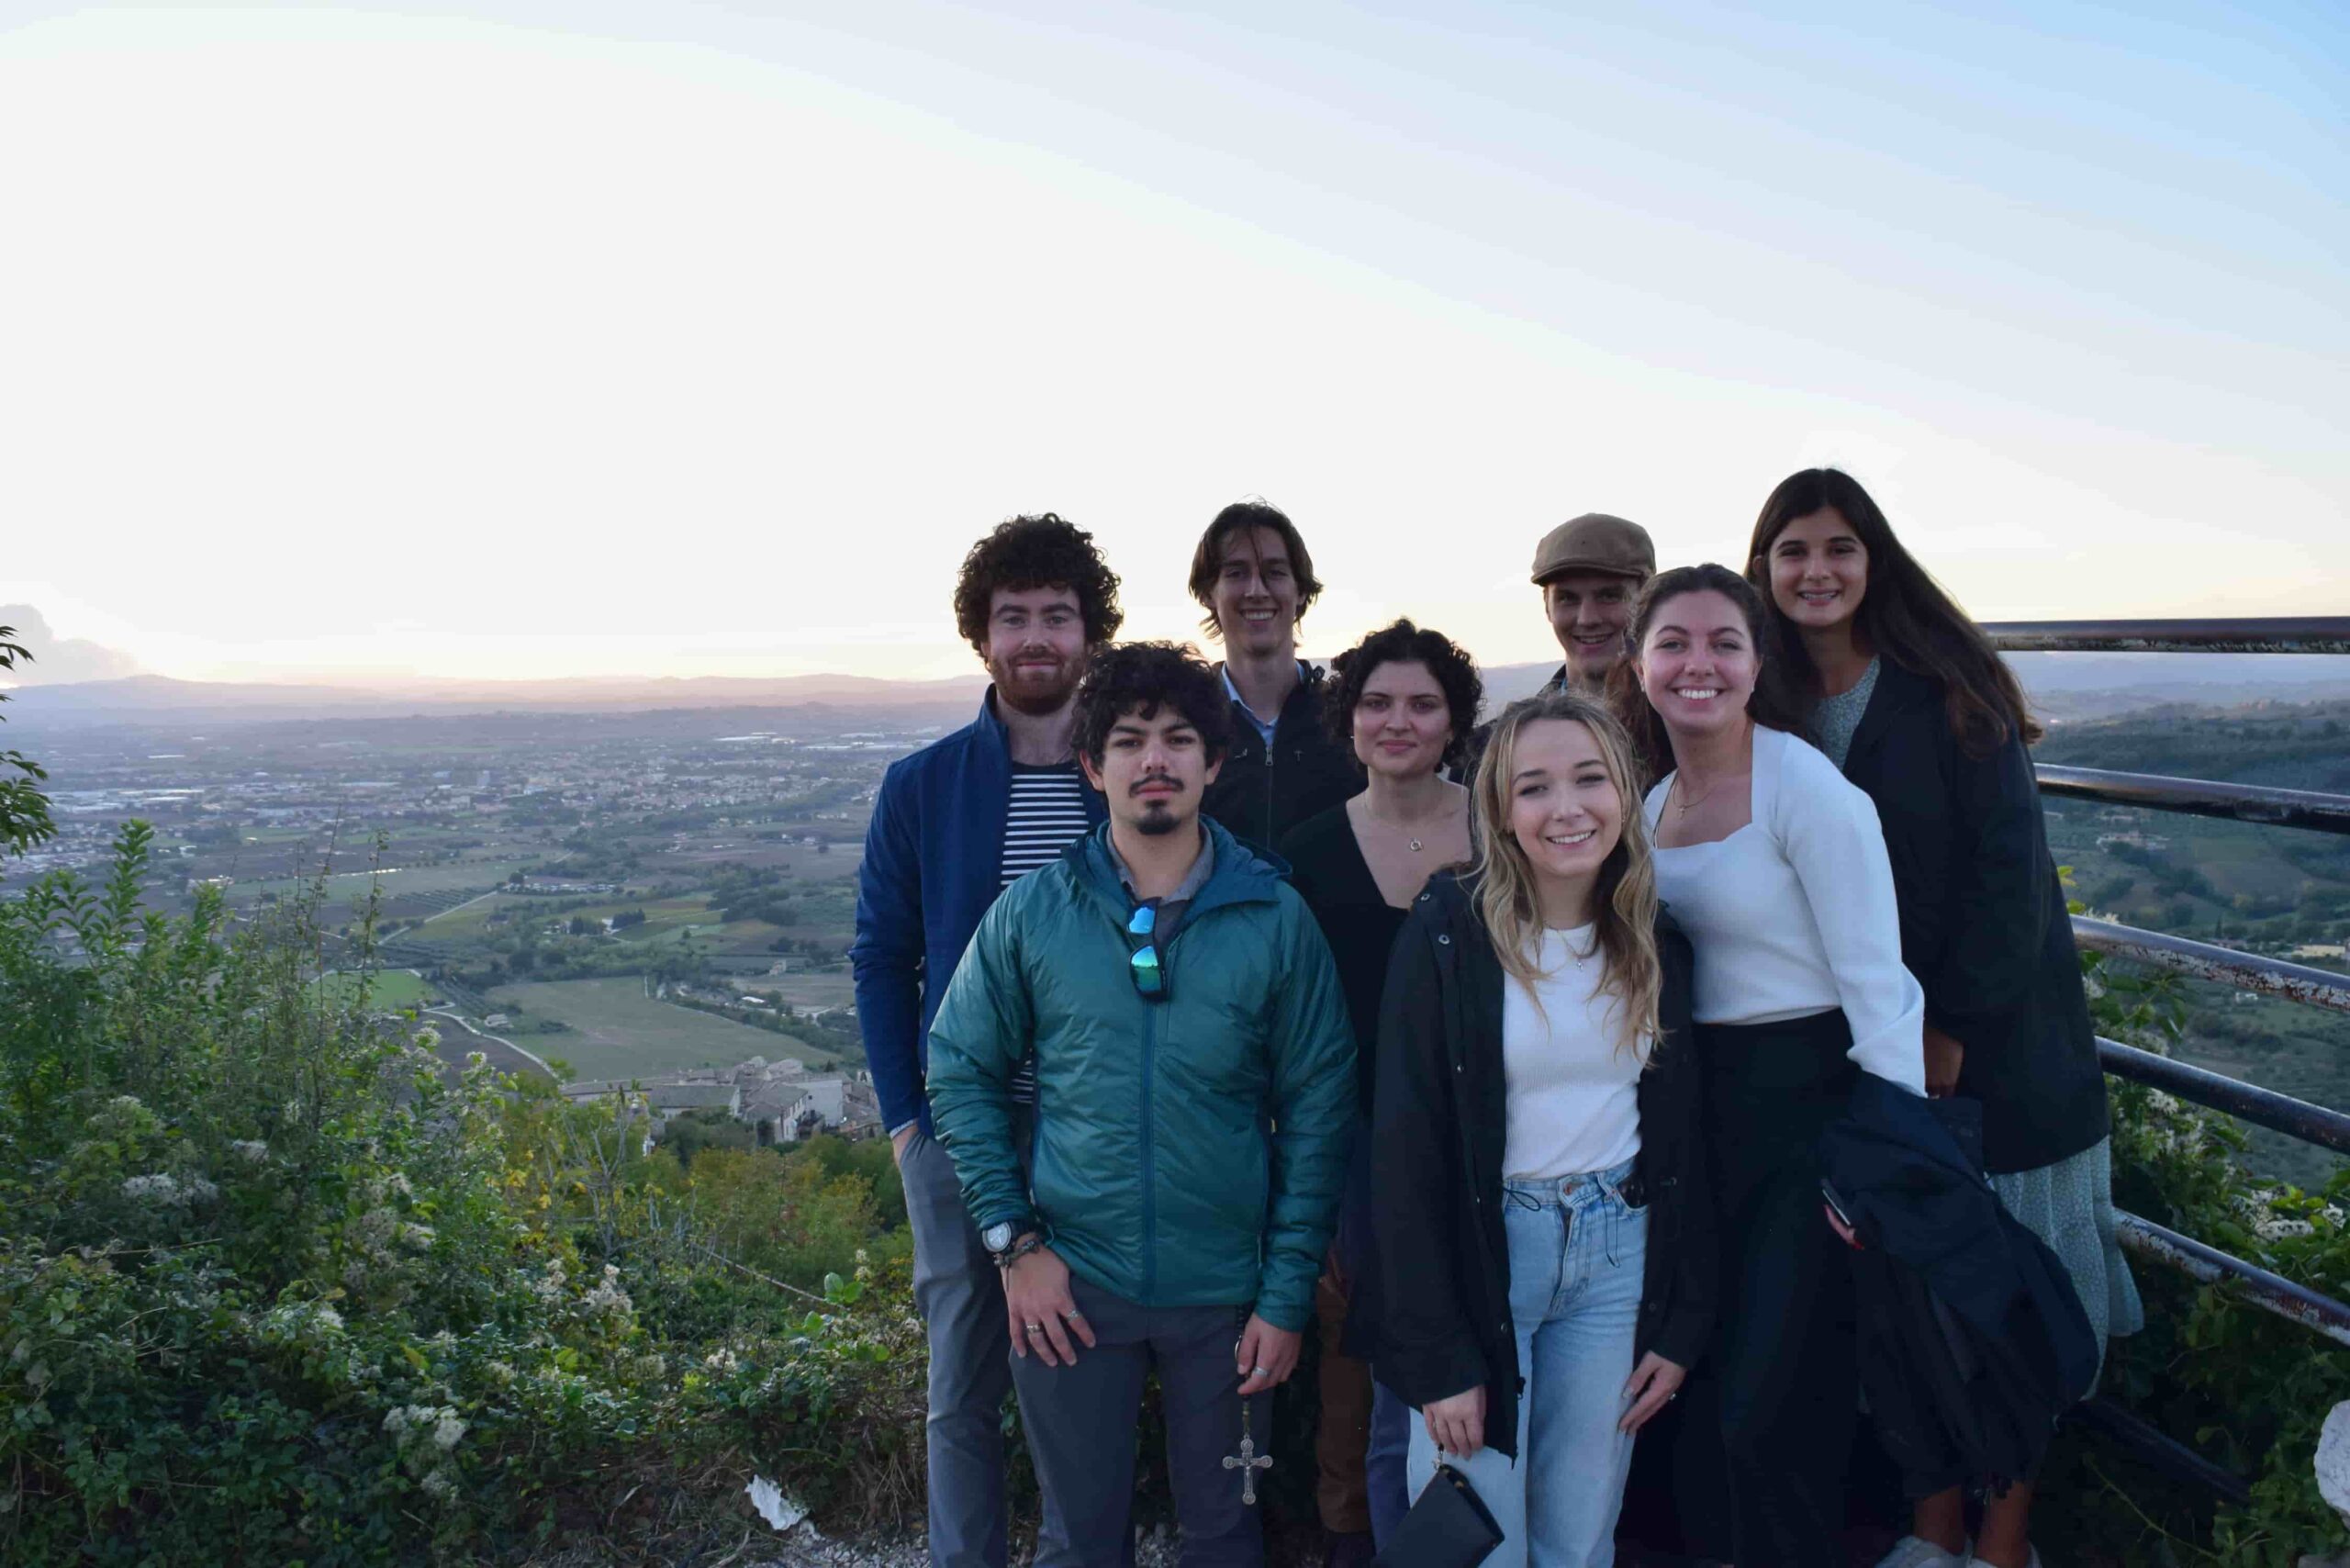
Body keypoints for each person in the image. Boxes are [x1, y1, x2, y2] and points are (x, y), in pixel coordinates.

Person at [1747, 469, 2142, 1568]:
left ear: (1873, 560)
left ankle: (2002, 1540)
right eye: (1791, 550)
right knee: (1902, 1301)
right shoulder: (1761, 704)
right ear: (1763, 568)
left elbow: (2007, 881)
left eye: (1837, 547)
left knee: (2008, 1306)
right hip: (1863, 1064)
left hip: (2003, 1064)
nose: (1815, 571)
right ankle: (1931, 1532)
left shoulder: (1948, 689)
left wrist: (1948, 1034)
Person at [925, 641, 1358, 1568]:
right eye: (1128, 740)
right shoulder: (1034, 913)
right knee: (1079, 1541)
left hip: (1228, 1297)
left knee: (1226, 1536)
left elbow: (1320, 1106)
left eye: (1176, 738)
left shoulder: (1275, 918)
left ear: (1213, 759)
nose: (1153, 759)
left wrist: (1283, 1296)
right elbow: (960, 1067)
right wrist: (1016, 1247)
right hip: (1071, 1288)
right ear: (1093, 765)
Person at [1371, 690, 1717, 1568]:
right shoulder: (1448, 932)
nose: (1566, 808)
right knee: (1472, 1538)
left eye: (1590, 779)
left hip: (1616, 1259)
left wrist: (1680, 1325)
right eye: (1534, 787)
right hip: (1491, 1253)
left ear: (1624, 792)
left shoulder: (1654, 939)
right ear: (1499, 809)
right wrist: (1437, 1356)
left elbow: (1686, 1142)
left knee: (1579, 1536)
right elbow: (1405, 1152)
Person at [1628, 563, 1929, 1568]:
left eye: (1723, 641)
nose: (1697, 663)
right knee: (1699, 1384)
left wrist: (1881, 1159)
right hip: (1695, 1113)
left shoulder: (1805, 787)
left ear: (1757, 663)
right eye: (1673, 642)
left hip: (1809, 1112)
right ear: (1639, 664)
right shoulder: (1651, 802)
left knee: (1774, 1400)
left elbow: (1877, 983)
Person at [847, 514, 1122, 1568]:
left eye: (1058, 614)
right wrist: (907, 1122)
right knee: (960, 1380)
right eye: (1015, 617)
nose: (1037, 637)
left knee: (1077, 1375)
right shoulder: (924, 785)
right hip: (958, 1128)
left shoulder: (1129, 775)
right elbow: (882, 960)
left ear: (1090, 632)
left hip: (1095, 1122)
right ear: (982, 637)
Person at [1277, 620, 1483, 1563]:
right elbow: (1289, 1029)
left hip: (1495, 1136)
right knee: (1362, 1373)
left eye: (1420, 703)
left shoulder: (1503, 826)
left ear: (1454, 721)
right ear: (1347, 720)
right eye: (1375, 702)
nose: (1396, 721)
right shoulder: (1306, 852)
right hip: (1358, 1145)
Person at [1190, 500, 1359, 846]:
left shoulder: (1350, 724)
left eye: (1275, 572)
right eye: (1236, 573)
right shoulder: (1184, 724)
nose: (1256, 590)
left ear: (1301, 591)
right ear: (1209, 593)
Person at [1530, 512, 1656, 695]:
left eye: (1609, 596)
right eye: (1567, 598)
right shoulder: (1513, 724)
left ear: (1648, 600)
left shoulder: (1694, 722)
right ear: (1547, 606)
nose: (1587, 619)